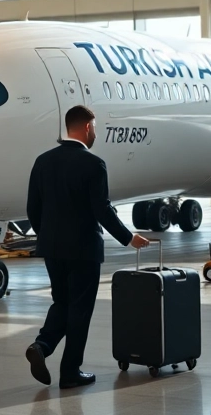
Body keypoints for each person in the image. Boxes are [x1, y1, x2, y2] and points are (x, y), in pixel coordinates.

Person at [23, 105, 150, 389]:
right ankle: (70, 371)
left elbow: (33, 208)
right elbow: (101, 210)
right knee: (80, 309)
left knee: (62, 302)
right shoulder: (93, 164)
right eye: (96, 128)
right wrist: (128, 238)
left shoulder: (43, 161)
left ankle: (41, 346)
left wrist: (47, 236)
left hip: (52, 248)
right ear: (88, 127)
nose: (96, 134)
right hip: (83, 250)